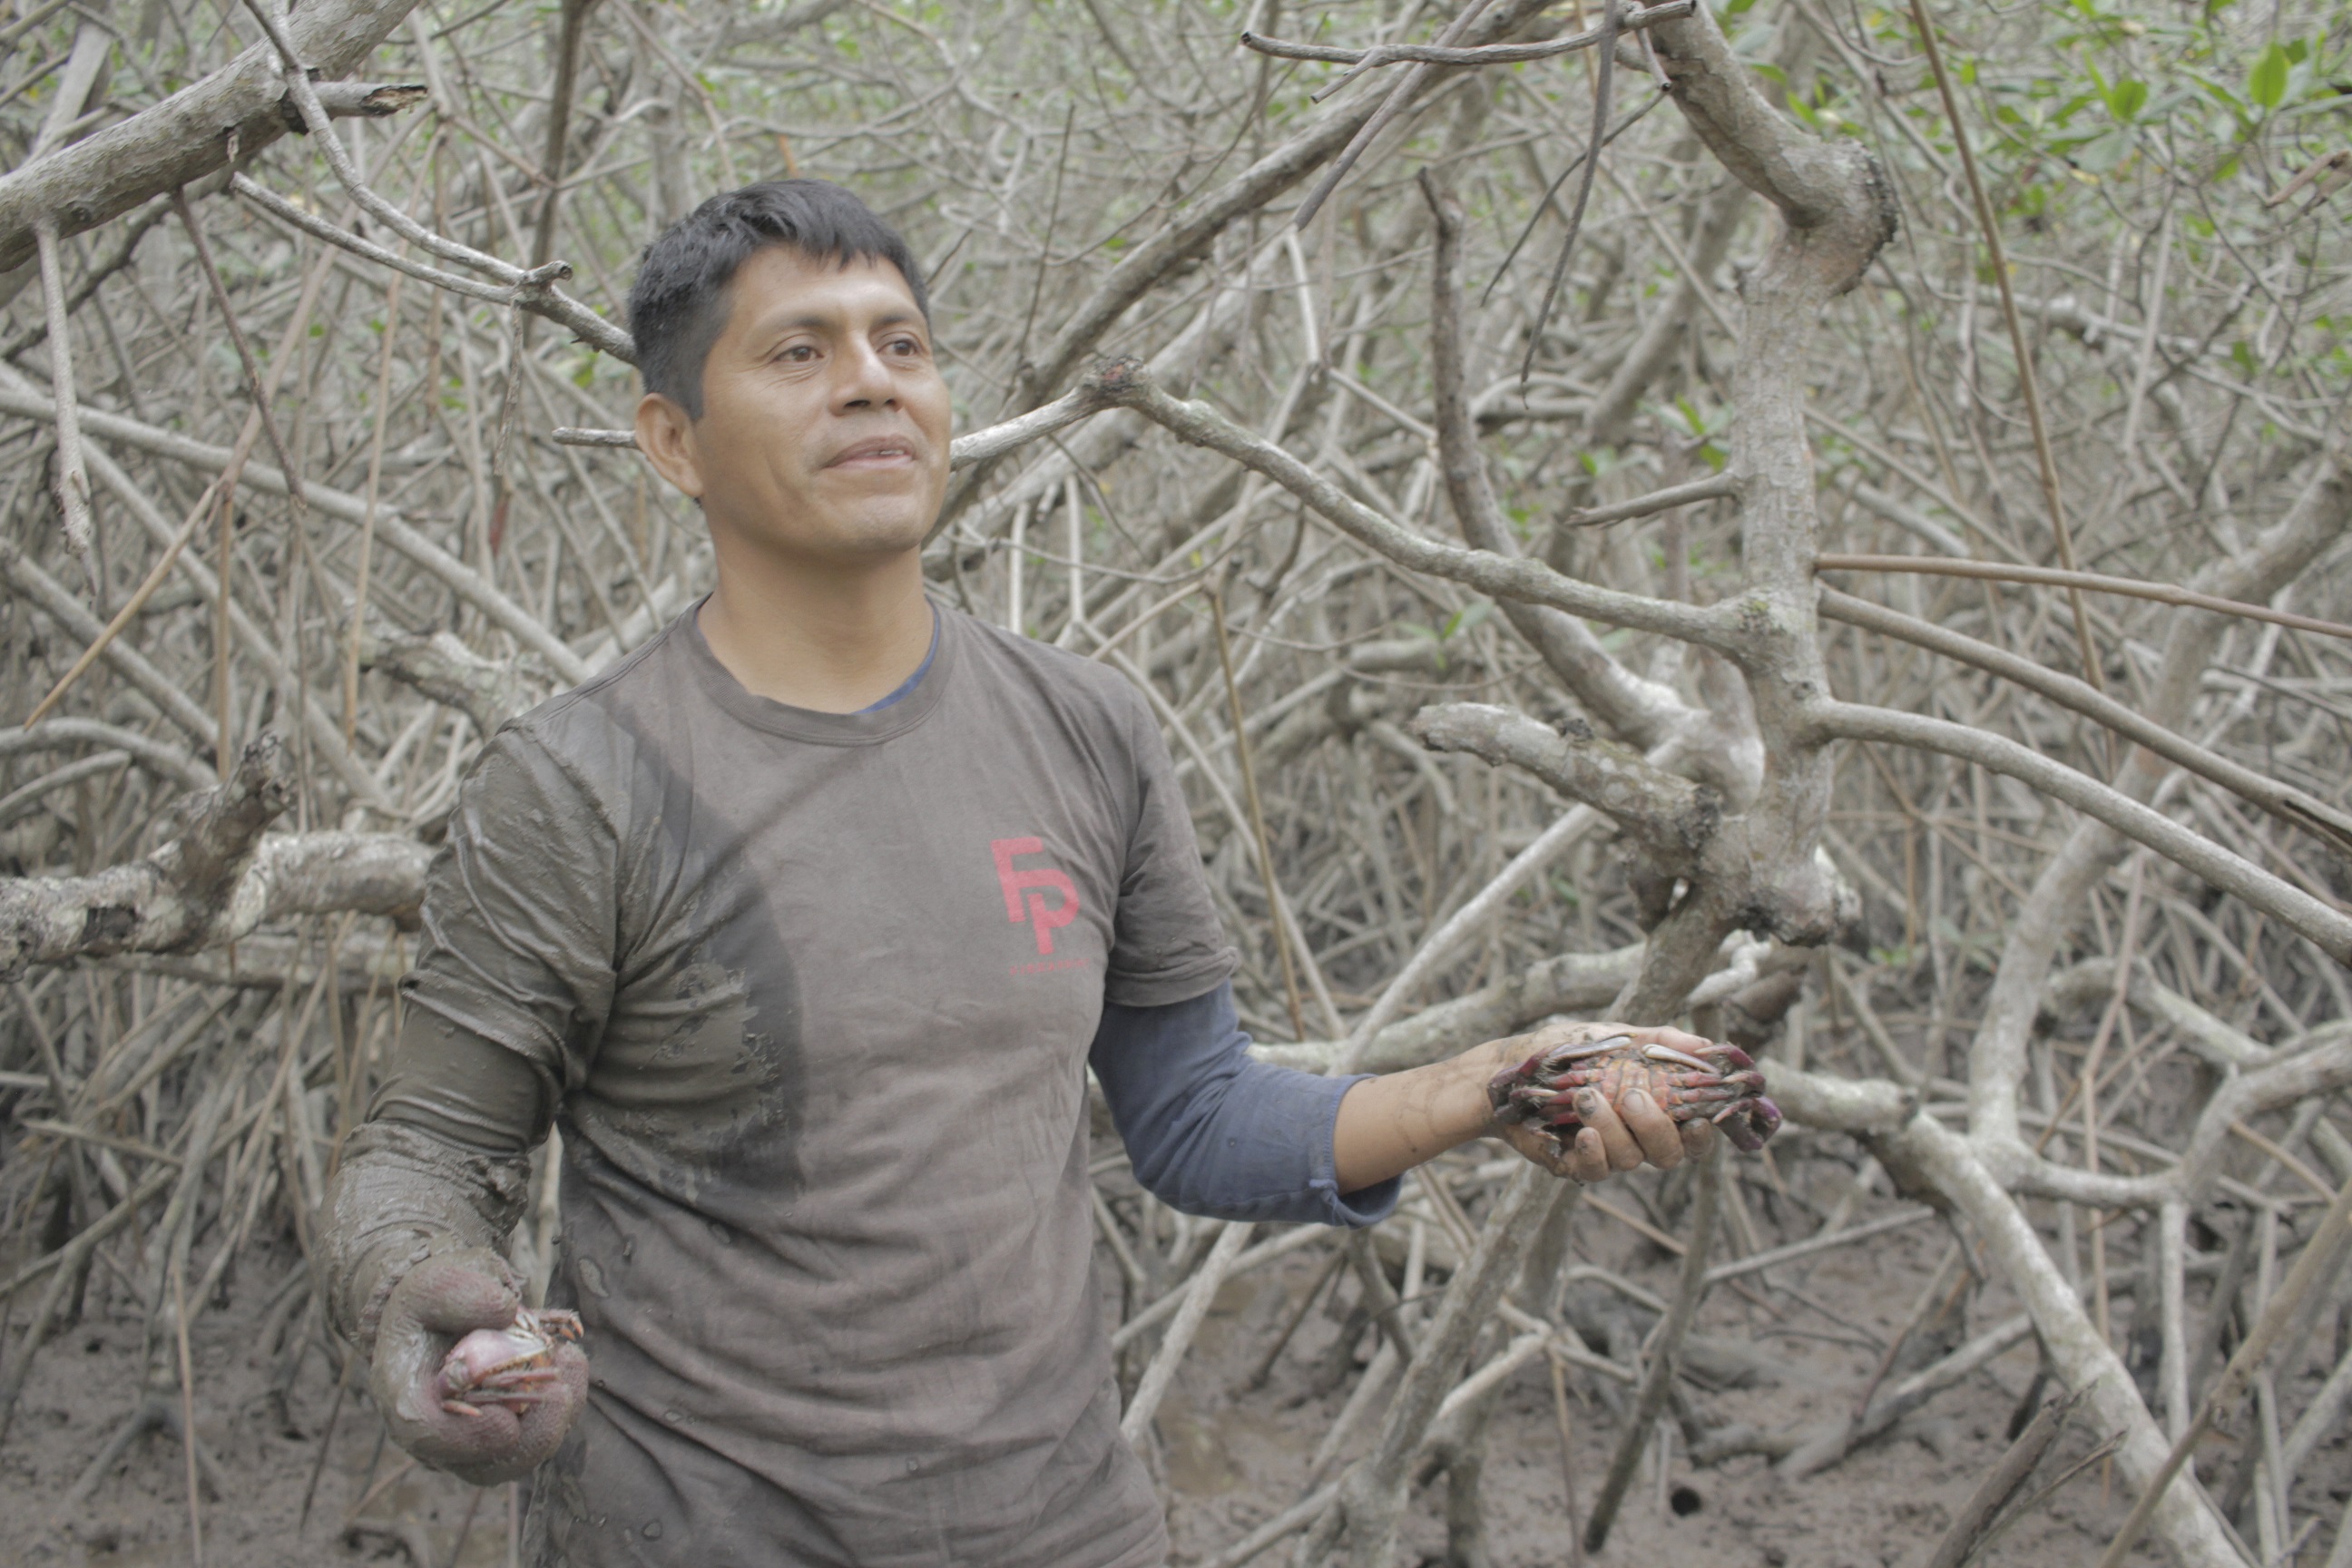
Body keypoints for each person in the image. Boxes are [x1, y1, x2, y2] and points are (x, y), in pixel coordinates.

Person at [321, 178, 1718, 1568]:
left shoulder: (1086, 728)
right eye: (800, 353)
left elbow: (1196, 1113)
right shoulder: (577, 783)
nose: (871, 385)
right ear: (673, 442)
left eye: (903, 345)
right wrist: (426, 1306)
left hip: (1065, 1526)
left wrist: (1497, 1083)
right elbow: (424, 1159)